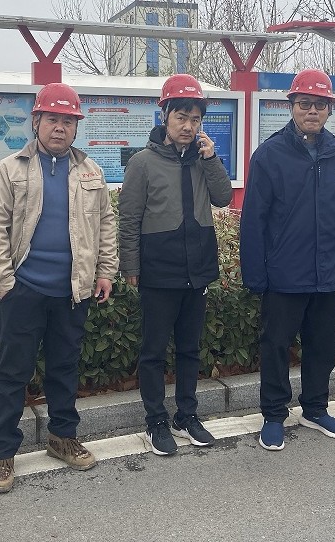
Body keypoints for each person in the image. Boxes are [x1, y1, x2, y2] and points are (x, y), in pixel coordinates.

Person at [0, 82, 118, 493]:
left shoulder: (90, 171)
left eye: (68, 121)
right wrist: (5, 282)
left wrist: (105, 271)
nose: (60, 127)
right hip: (24, 290)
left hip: (72, 291)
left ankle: (62, 437)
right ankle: (1, 451)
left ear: (76, 128)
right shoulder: (9, 170)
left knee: (64, 367)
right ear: (36, 122)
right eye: (53, 119)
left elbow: (105, 224)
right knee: (11, 371)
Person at [240, 69, 335, 451]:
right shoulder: (270, 155)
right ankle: (273, 414)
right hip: (284, 273)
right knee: (276, 345)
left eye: (319, 104)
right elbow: (254, 219)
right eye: (305, 103)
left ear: (330, 109)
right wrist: (255, 274)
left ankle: (315, 408)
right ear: (292, 106)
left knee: (322, 346)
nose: (312, 110)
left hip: (329, 272)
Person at [118, 74, 233, 456]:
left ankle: (187, 415)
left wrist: (211, 159)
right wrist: (130, 266)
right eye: (181, 117)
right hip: (158, 269)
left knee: (189, 349)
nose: (188, 126)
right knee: (153, 351)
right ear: (164, 116)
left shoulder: (203, 161)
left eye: (195, 119)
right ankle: (156, 420)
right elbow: (129, 218)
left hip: (196, 268)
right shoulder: (142, 163)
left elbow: (223, 198)